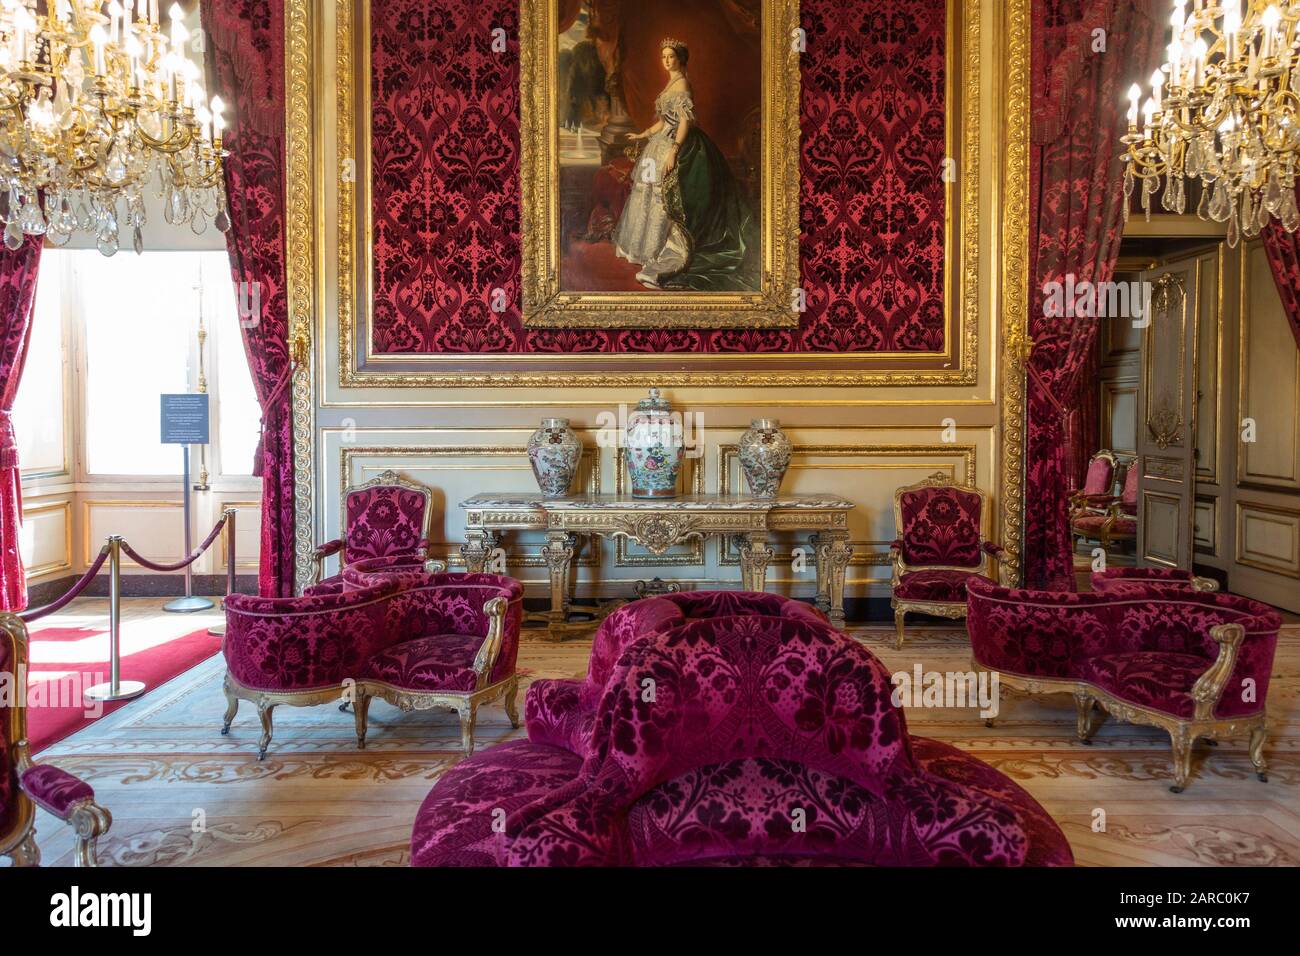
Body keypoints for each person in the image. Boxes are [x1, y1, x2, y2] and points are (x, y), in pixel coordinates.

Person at [612, 38, 758, 291]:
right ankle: (647, 249)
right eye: (664, 57)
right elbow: (663, 121)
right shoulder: (671, 84)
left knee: (664, 196)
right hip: (659, 143)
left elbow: (683, 123)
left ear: (680, 59)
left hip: (678, 145)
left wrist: (674, 152)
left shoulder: (682, 86)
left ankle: (668, 251)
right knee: (647, 193)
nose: (667, 61)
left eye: (671, 56)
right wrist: (643, 133)